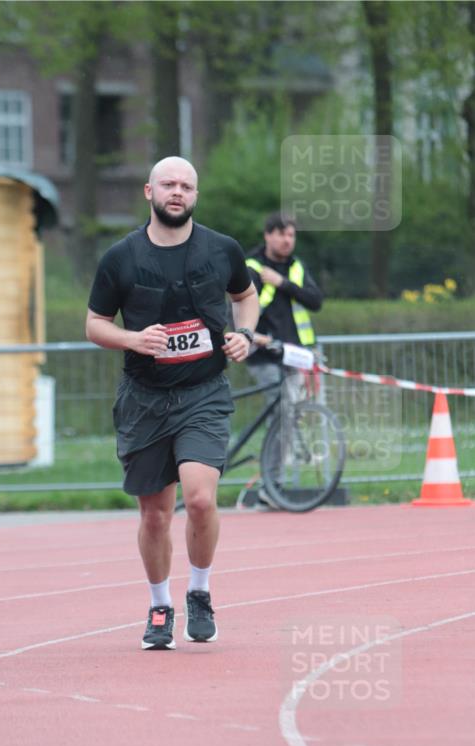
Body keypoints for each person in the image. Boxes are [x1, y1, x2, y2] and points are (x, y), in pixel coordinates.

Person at [86, 156, 259, 651]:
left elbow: (247, 296)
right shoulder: (120, 257)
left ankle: (199, 592)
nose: (176, 192)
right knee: (156, 515)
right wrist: (131, 339)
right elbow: (95, 323)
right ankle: (160, 604)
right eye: (168, 184)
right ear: (149, 192)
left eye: (186, 185)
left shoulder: (222, 248)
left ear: (195, 196)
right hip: (144, 399)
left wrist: (245, 332)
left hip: (204, 392)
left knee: (201, 499)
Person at [245, 212, 323, 507]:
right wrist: (252, 335)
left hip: (296, 355)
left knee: (290, 415)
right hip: (263, 354)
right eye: (281, 234)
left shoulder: (296, 267)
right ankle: (272, 483)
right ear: (267, 235)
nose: (287, 240)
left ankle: (271, 481)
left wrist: (282, 283)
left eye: (291, 235)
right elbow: (240, 308)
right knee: (281, 410)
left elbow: (316, 301)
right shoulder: (251, 267)